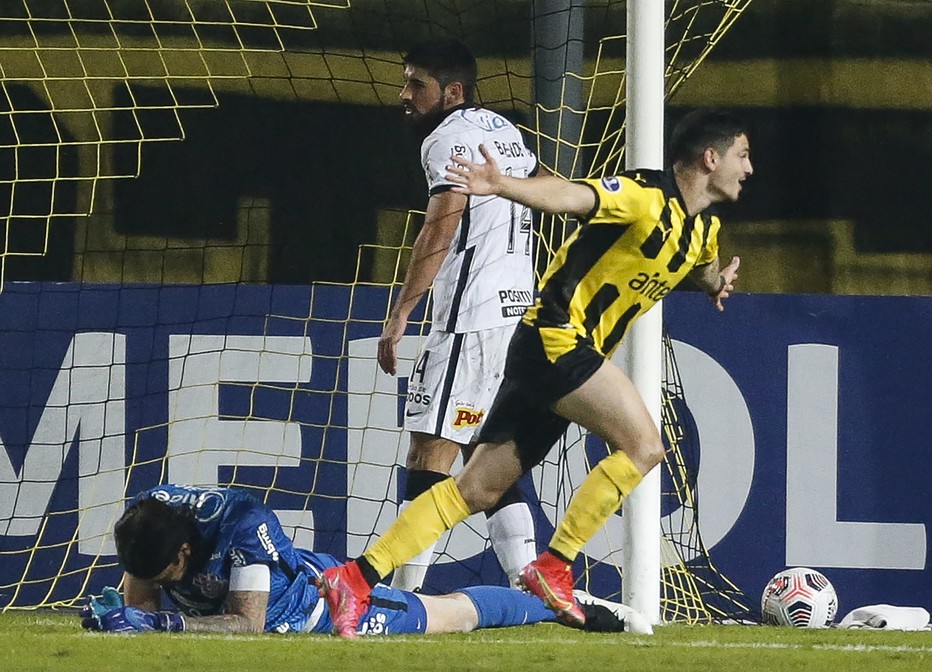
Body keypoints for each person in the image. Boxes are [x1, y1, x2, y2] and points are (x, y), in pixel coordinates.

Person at [320, 109, 753, 638]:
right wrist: (503, 184)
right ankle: (554, 566)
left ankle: (355, 578)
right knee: (644, 446)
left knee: (473, 490)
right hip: (554, 338)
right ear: (711, 158)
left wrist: (714, 284)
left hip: (547, 353)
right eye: (743, 155)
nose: (748, 169)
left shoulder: (703, 230)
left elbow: (699, 264)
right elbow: (573, 196)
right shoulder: (644, 196)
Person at [377, 38, 542, 590]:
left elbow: (441, 224)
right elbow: (546, 188)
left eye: (415, 85)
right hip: (515, 314)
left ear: (453, 91)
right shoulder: (503, 129)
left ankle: (403, 596)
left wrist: (401, 311)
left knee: (430, 449)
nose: (404, 96)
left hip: (469, 318)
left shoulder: (447, 138)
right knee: (484, 454)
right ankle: (530, 584)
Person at [79, 484, 651, 636]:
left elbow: (248, 624)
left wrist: (163, 620)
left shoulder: (241, 527)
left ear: (187, 550)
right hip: (287, 575)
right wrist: (133, 617)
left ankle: (552, 606)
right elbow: (143, 593)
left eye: (166, 574)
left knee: (449, 614)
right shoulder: (148, 517)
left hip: (312, 608)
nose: (151, 586)